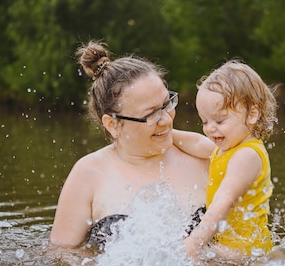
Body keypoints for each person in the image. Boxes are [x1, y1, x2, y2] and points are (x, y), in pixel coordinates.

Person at [49, 40, 209, 252]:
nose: (167, 120)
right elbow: (61, 254)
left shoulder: (202, 155)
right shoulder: (88, 174)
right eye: (151, 114)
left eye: (167, 104)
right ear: (113, 124)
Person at [174, 59, 278, 258]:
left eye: (220, 120)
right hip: (229, 246)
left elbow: (224, 200)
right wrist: (166, 134)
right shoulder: (227, 148)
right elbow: (196, 143)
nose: (210, 128)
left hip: (245, 251)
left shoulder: (247, 155)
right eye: (204, 121)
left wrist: (194, 243)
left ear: (252, 114)